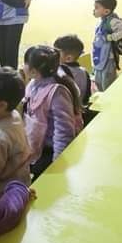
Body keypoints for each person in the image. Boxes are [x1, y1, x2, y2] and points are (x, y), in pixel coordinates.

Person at [23, 46, 83, 179]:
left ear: (33, 71)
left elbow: (64, 131)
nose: (23, 66)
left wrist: (58, 164)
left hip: (50, 151)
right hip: (37, 144)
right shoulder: (33, 83)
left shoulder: (57, 92)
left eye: (25, 63)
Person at [92, 0, 122, 92]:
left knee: (108, 83)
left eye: (96, 8)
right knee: (98, 81)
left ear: (106, 11)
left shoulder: (112, 21)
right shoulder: (103, 21)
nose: (94, 10)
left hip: (109, 58)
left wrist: (111, 37)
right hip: (100, 56)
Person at [53, 34, 91, 107]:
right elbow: (87, 97)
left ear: (69, 58)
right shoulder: (84, 72)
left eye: (56, 52)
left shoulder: (59, 72)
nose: (53, 54)